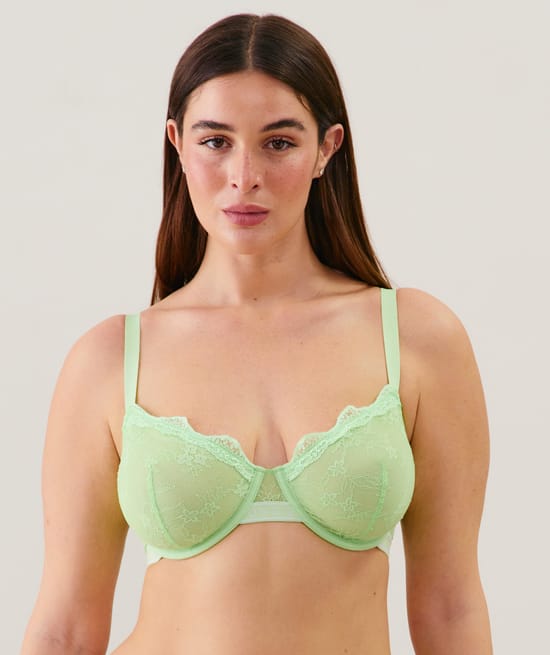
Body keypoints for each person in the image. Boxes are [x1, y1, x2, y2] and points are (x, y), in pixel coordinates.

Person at [20, 13, 492, 655]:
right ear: (177, 144)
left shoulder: (416, 340)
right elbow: (65, 630)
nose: (244, 176)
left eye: (279, 142)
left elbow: (450, 607)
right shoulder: (109, 360)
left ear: (327, 148)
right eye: (216, 141)